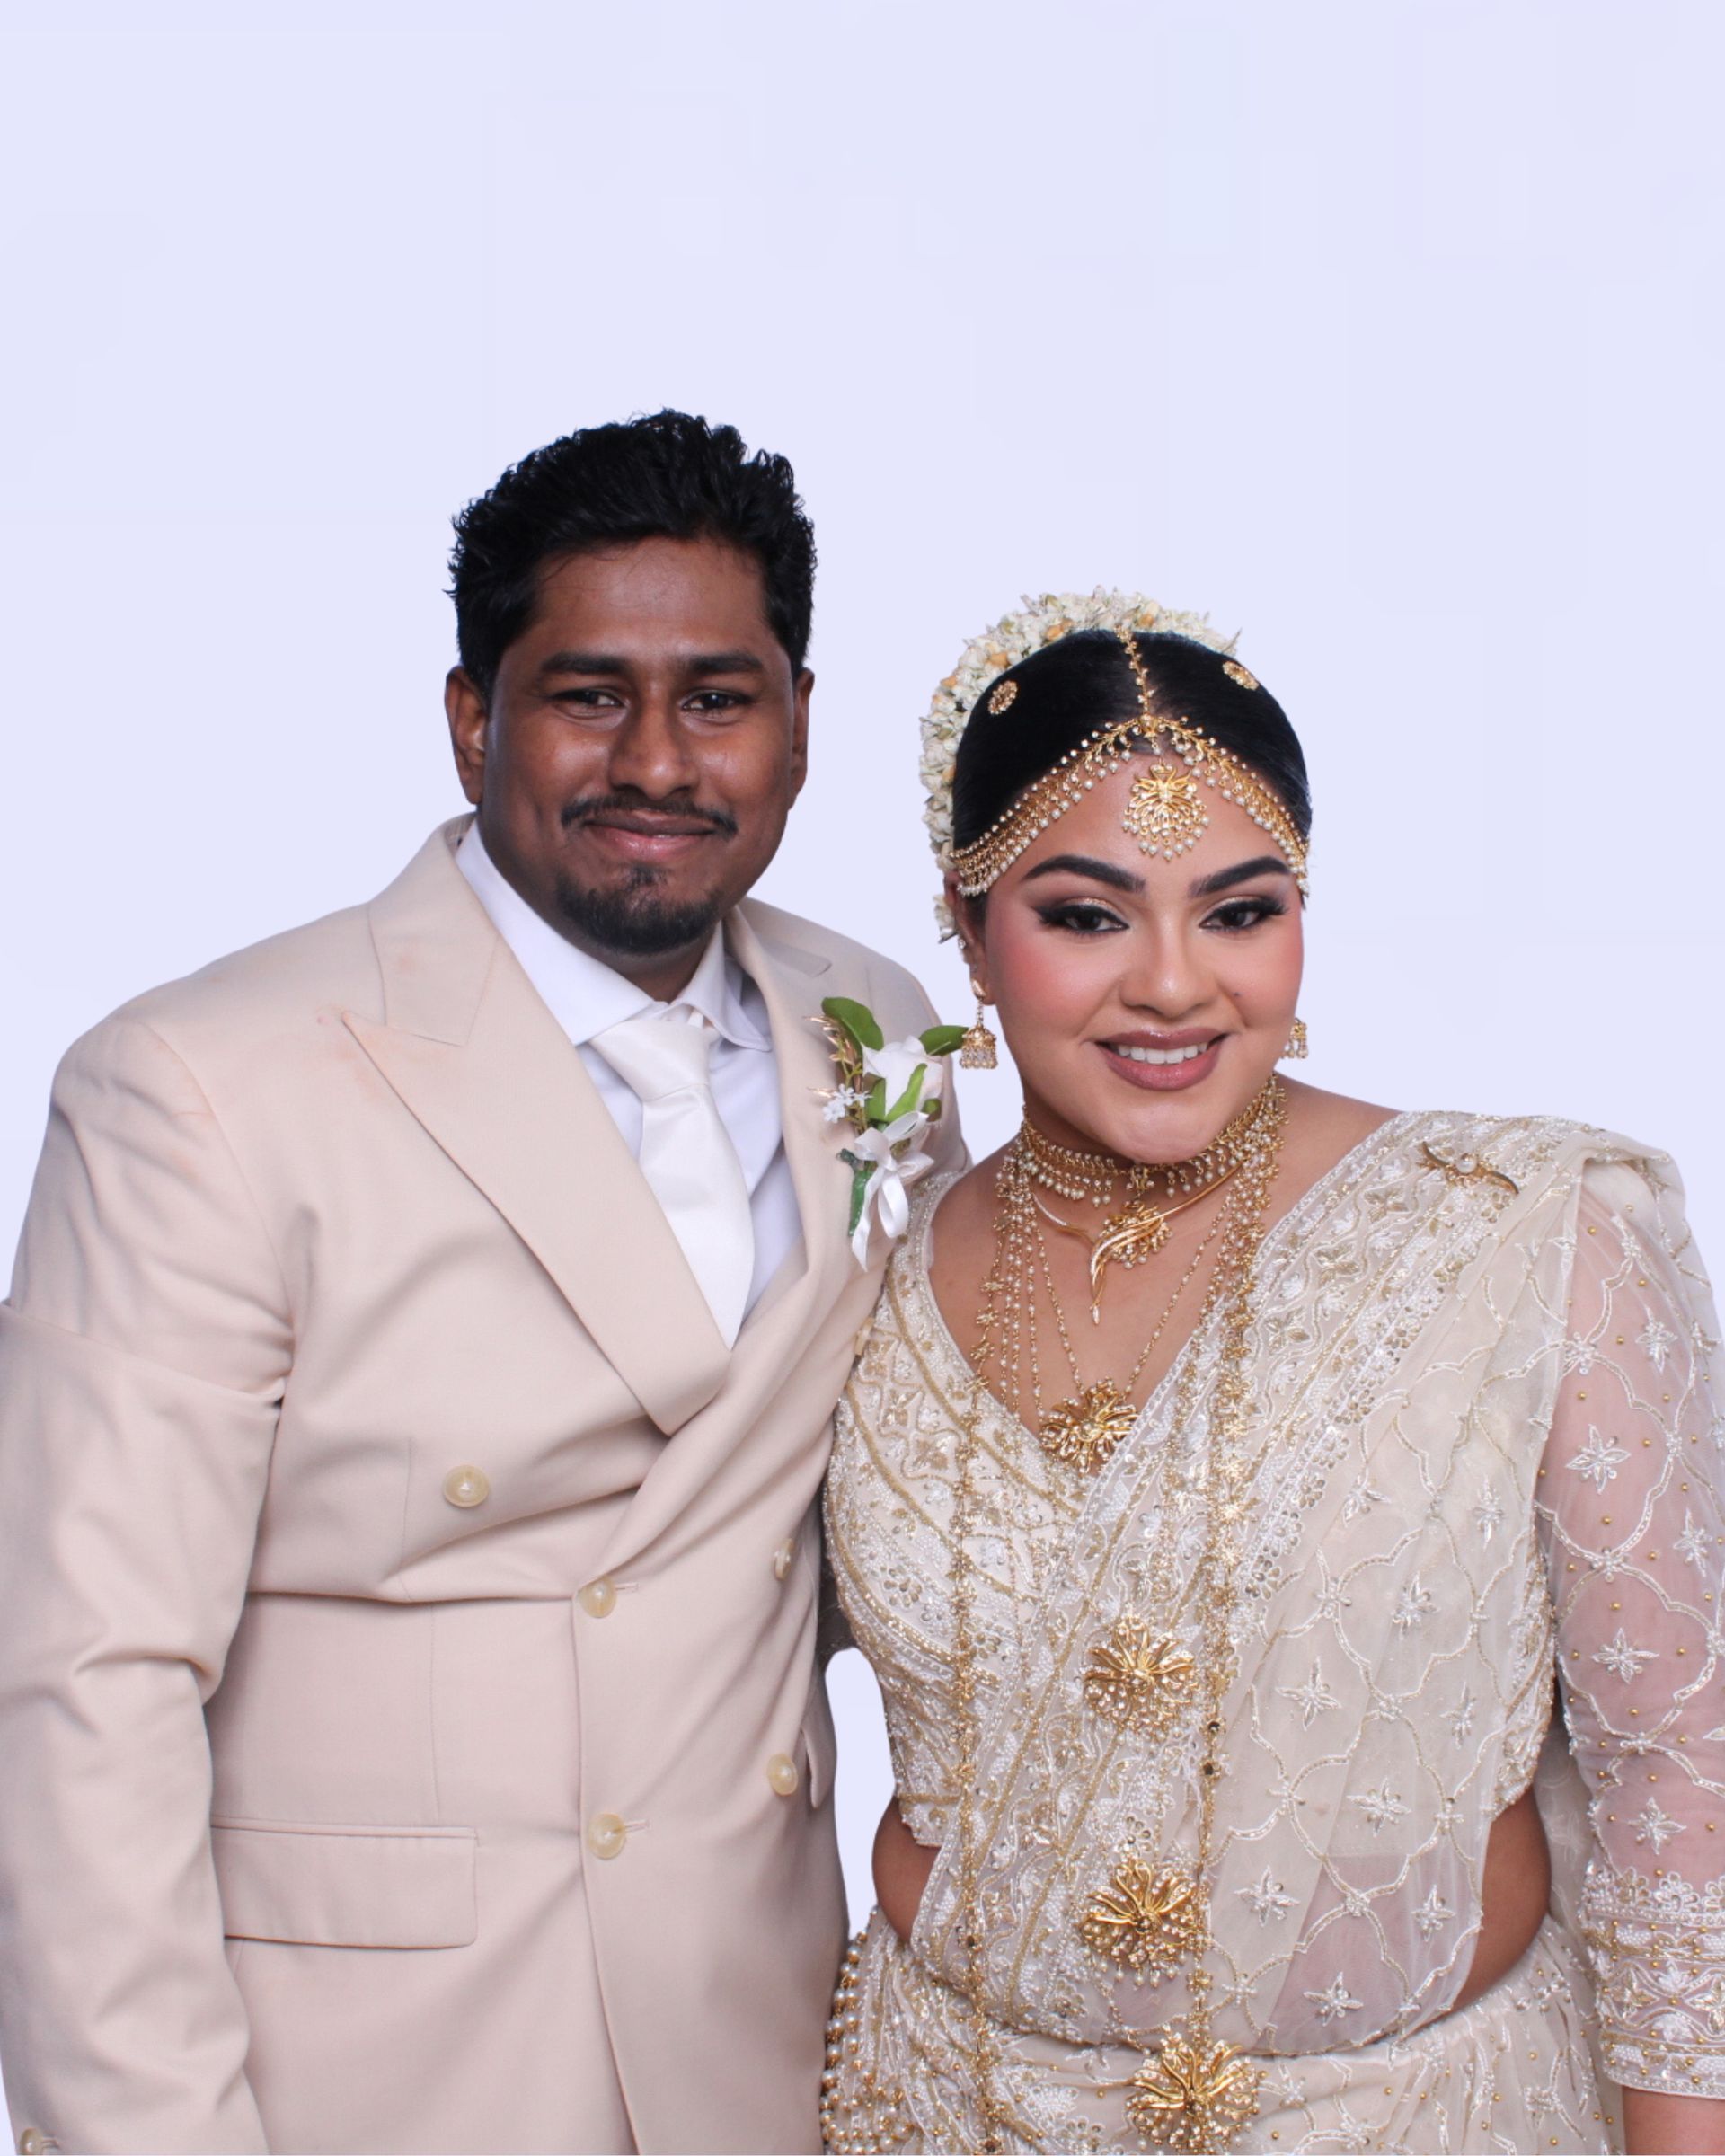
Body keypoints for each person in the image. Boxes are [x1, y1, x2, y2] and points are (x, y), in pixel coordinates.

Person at [0, 411, 960, 2155]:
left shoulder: (879, 1025)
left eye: (719, 696)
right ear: (472, 720)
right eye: (590, 692)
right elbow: (81, 1685)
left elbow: (910, 1520)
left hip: (760, 2052)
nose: (657, 758)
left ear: (801, 722)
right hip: (372, 2076)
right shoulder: (204, 1083)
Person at [820, 592, 1725, 2155]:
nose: (1174, 984)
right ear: (967, 927)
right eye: (1087, 915)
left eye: (1240, 911)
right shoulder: (862, 1264)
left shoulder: (1518, 1234)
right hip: (949, 2112)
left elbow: (1680, 1792)